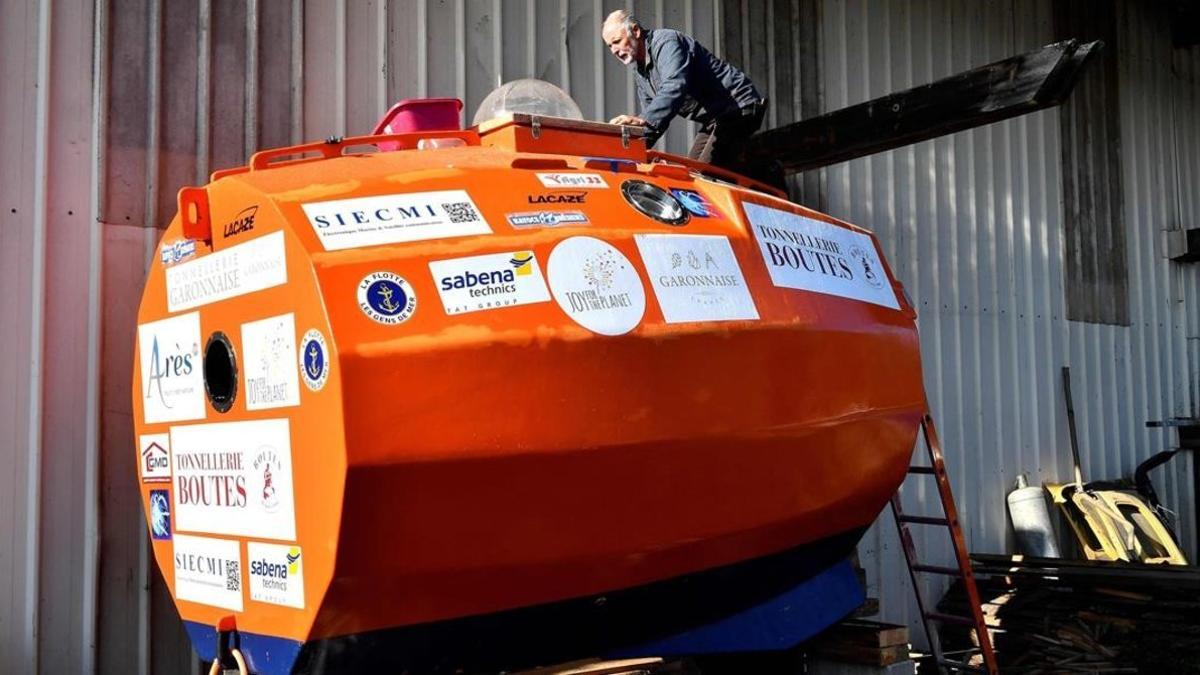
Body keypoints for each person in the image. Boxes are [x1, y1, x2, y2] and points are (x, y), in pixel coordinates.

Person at [601, 9, 766, 174]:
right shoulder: (641, 72)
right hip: (715, 119)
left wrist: (643, 119)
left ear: (635, 31)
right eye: (609, 46)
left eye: (617, 41)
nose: (614, 50)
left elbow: (675, 85)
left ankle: (764, 173)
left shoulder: (666, 43)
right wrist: (628, 154)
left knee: (702, 175)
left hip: (739, 106)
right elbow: (654, 121)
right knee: (691, 171)